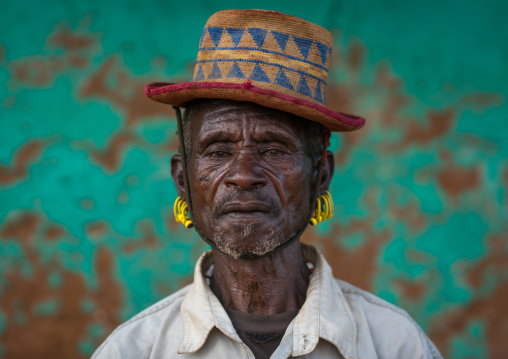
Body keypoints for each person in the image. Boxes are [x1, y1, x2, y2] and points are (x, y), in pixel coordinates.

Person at [92, 9, 442, 359]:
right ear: (182, 180)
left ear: (321, 176)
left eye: (274, 150)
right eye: (218, 151)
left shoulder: (395, 344)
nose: (244, 175)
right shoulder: (135, 349)